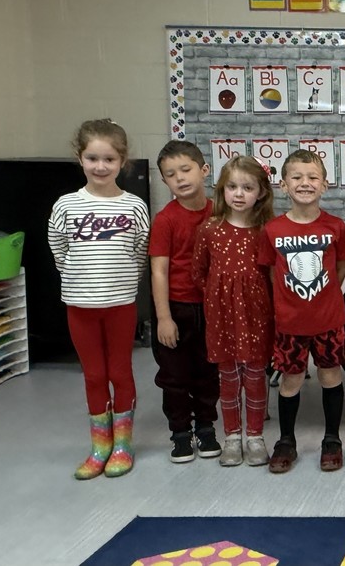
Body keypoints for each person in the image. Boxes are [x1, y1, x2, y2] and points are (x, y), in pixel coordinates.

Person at [48, 119, 150, 479]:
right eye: (92, 158)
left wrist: (118, 283)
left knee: (119, 371)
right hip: (80, 305)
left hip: (120, 304)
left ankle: (123, 444)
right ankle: (99, 445)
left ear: (122, 161)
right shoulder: (66, 205)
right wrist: (79, 281)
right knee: (93, 374)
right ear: (80, 159)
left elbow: (140, 252)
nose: (100, 166)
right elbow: (58, 248)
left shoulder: (134, 206)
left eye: (109, 159)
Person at [258, 149, 345, 474]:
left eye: (313, 177)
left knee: (330, 376)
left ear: (325, 185)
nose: (305, 183)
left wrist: (323, 296)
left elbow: (341, 267)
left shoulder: (336, 227)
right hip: (290, 322)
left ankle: (332, 440)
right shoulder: (272, 230)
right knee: (291, 380)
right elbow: (273, 275)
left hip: (328, 319)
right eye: (296, 177)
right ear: (283, 184)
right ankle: (286, 440)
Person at [193, 156, 275, 467]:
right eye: (232, 187)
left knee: (255, 375)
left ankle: (255, 436)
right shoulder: (210, 229)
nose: (239, 194)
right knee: (227, 378)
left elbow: (271, 276)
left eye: (247, 187)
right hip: (222, 316)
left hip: (257, 315)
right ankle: (231, 436)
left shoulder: (266, 230)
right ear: (222, 190)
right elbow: (199, 272)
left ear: (261, 193)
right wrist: (220, 297)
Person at [149, 140, 222, 464]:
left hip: (211, 308)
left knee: (207, 373)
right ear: (164, 181)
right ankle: (180, 433)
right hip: (176, 308)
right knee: (175, 376)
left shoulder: (219, 212)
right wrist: (164, 317)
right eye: (170, 174)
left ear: (204, 170)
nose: (179, 178)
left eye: (186, 169)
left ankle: (206, 428)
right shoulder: (165, 220)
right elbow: (159, 270)